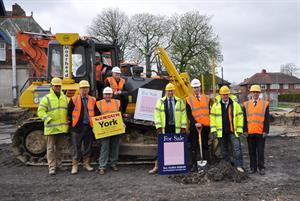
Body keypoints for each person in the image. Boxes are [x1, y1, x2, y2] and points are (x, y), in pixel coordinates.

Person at [149, 83, 187, 174]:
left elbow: (183, 114)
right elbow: (157, 115)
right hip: (164, 128)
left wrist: (183, 127)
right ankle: (157, 166)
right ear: (166, 91)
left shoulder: (180, 101)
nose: (170, 92)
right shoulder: (160, 101)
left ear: (174, 91)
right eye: (168, 91)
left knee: (176, 147)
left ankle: (175, 166)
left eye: (171, 90)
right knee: (161, 147)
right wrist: (158, 127)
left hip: (176, 127)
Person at [37, 77, 69, 175]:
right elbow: (40, 111)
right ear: (52, 86)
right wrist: (48, 119)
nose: (58, 87)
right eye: (56, 86)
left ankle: (59, 164)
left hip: (61, 128)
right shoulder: (47, 98)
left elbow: (70, 110)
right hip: (51, 128)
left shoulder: (65, 98)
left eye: (59, 86)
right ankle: (52, 167)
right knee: (50, 149)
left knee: (60, 148)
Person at [210, 86, 245, 172]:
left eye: (226, 94)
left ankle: (239, 165)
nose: (225, 96)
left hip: (233, 131)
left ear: (229, 94)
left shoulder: (235, 105)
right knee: (224, 150)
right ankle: (227, 166)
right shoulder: (215, 105)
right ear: (220, 95)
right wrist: (214, 130)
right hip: (221, 132)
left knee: (237, 149)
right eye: (223, 94)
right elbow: (212, 119)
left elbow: (240, 117)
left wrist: (240, 129)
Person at [68, 80, 96, 174]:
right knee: (76, 147)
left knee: (88, 147)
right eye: (83, 88)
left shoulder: (93, 100)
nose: (84, 90)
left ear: (88, 89)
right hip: (77, 127)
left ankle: (86, 164)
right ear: (79, 89)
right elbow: (69, 112)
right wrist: (72, 124)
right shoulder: (73, 99)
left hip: (89, 127)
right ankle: (75, 165)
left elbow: (96, 113)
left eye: (86, 88)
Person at [243, 85, 269, 175]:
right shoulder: (246, 104)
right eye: (253, 92)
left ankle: (261, 167)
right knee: (251, 152)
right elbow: (244, 119)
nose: (255, 94)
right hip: (250, 132)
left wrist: (266, 131)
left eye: (257, 92)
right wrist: (245, 130)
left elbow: (267, 119)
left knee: (260, 151)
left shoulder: (265, 104)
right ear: (251, 93)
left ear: (259, 93)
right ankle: (252, 167)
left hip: (260, 132)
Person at [95, 87, 122, 175]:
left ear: (112, 95)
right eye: (106, 94)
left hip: (115, 127)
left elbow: (120, 113)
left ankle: (113, 163)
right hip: (105, 129)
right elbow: (96, 116)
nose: (107, 96)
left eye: (109, 94)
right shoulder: (99, 103)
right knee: (104, 147)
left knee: (115, 146)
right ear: (103, 95)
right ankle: (102, 166)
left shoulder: (117, 102)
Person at [186, 79, 210, 171]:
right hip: (194, 127)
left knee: (205, 145)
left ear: (200, 87)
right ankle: (194, 165)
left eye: (197, 87)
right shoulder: (188, 100)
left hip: (205, 127)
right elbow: (189, 114)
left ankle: (206, 163)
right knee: (194, 146)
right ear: (192, 89)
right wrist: (195, 123)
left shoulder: (207, 98)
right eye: (194, 88)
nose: (196, 89)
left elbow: (209, 111)